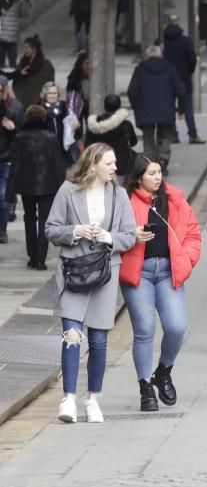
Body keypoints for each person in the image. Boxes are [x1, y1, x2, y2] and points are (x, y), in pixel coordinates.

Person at [45, 143, 137, 423]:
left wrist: (108, 237)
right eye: (109, 163)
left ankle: (93, 399)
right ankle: (69, 399)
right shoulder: (68, 190)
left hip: (104, 272)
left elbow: (129, 235)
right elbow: (51, 229)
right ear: (93, 164)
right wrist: (75, 230)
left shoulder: (119, 194)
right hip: (73, 270)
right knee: (72, 335)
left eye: (115, 163)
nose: (115, 168)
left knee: (98, 340)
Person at [120, 155, 201, 412]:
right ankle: (145, 386)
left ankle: (163, 371)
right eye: (151, 173)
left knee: (177, 328)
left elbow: (192, 233)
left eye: (159, 172)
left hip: (168, 271)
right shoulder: (125, 201)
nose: (157, 177)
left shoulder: (174, 198)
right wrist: (132, 237)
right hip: (139, 273)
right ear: (138, 177)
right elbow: (113, 236)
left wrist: (185, 260)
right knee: (144, 329)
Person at [8, 104, 65, 270]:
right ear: (43, 117)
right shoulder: (51, 137)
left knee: (29, 218)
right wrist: (61, 186)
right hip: (48, 185)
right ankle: (40, 260)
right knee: (45, 221)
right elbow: (57, 164)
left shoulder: (20, 137)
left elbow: (15, 163)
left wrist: (11, 188)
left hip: (26, 185)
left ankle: (32, 257)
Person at [127, 45, 184, 173]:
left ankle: (151, 162)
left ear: (147, 55)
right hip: (166, 109)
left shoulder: (140, 69)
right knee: (165, 135)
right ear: (160, 55)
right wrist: (181, 109)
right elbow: (180, 90)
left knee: (148, 138)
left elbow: (132, 91)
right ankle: (163, 160)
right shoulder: (169, 68)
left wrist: (136, 106)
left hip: (145, 110)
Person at [161, 16, 204, 144]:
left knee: (169, 107)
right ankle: (193, 134)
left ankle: (173, 134)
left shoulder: (162, 41)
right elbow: (192, 60)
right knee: (188, 107)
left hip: (167, 79)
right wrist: (189, 71)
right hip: (184, 79)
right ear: (179, 26)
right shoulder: (185, 41)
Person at [85, 94, 138, 179]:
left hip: (99, 167)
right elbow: (133, 142)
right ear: (119, 106)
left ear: (103, 105)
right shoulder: (126, 125)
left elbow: (87, 146)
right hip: (120, 166)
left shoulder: (93, 125)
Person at [0, 76, 24, 243]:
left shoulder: (14, 108)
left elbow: (22, 135)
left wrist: (13, 129)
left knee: (2, 197)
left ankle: (2, 230)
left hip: (6, 159)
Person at [10, 35, 55, 110]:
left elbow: (50, 83)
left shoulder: (46, 65)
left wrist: (44, 96)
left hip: (39, 103)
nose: (24, 50)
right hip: (23, 102)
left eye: (26, 48)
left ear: (34, 49)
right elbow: (15, 78)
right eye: (24, 48)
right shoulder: (23, 63)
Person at [0, 1, 22, 67]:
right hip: (13, 30)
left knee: (2, 48)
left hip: (3, 30)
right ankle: (12, 65)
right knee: (12, 47)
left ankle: (2, 65)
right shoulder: (18, 1)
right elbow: (21, 14)